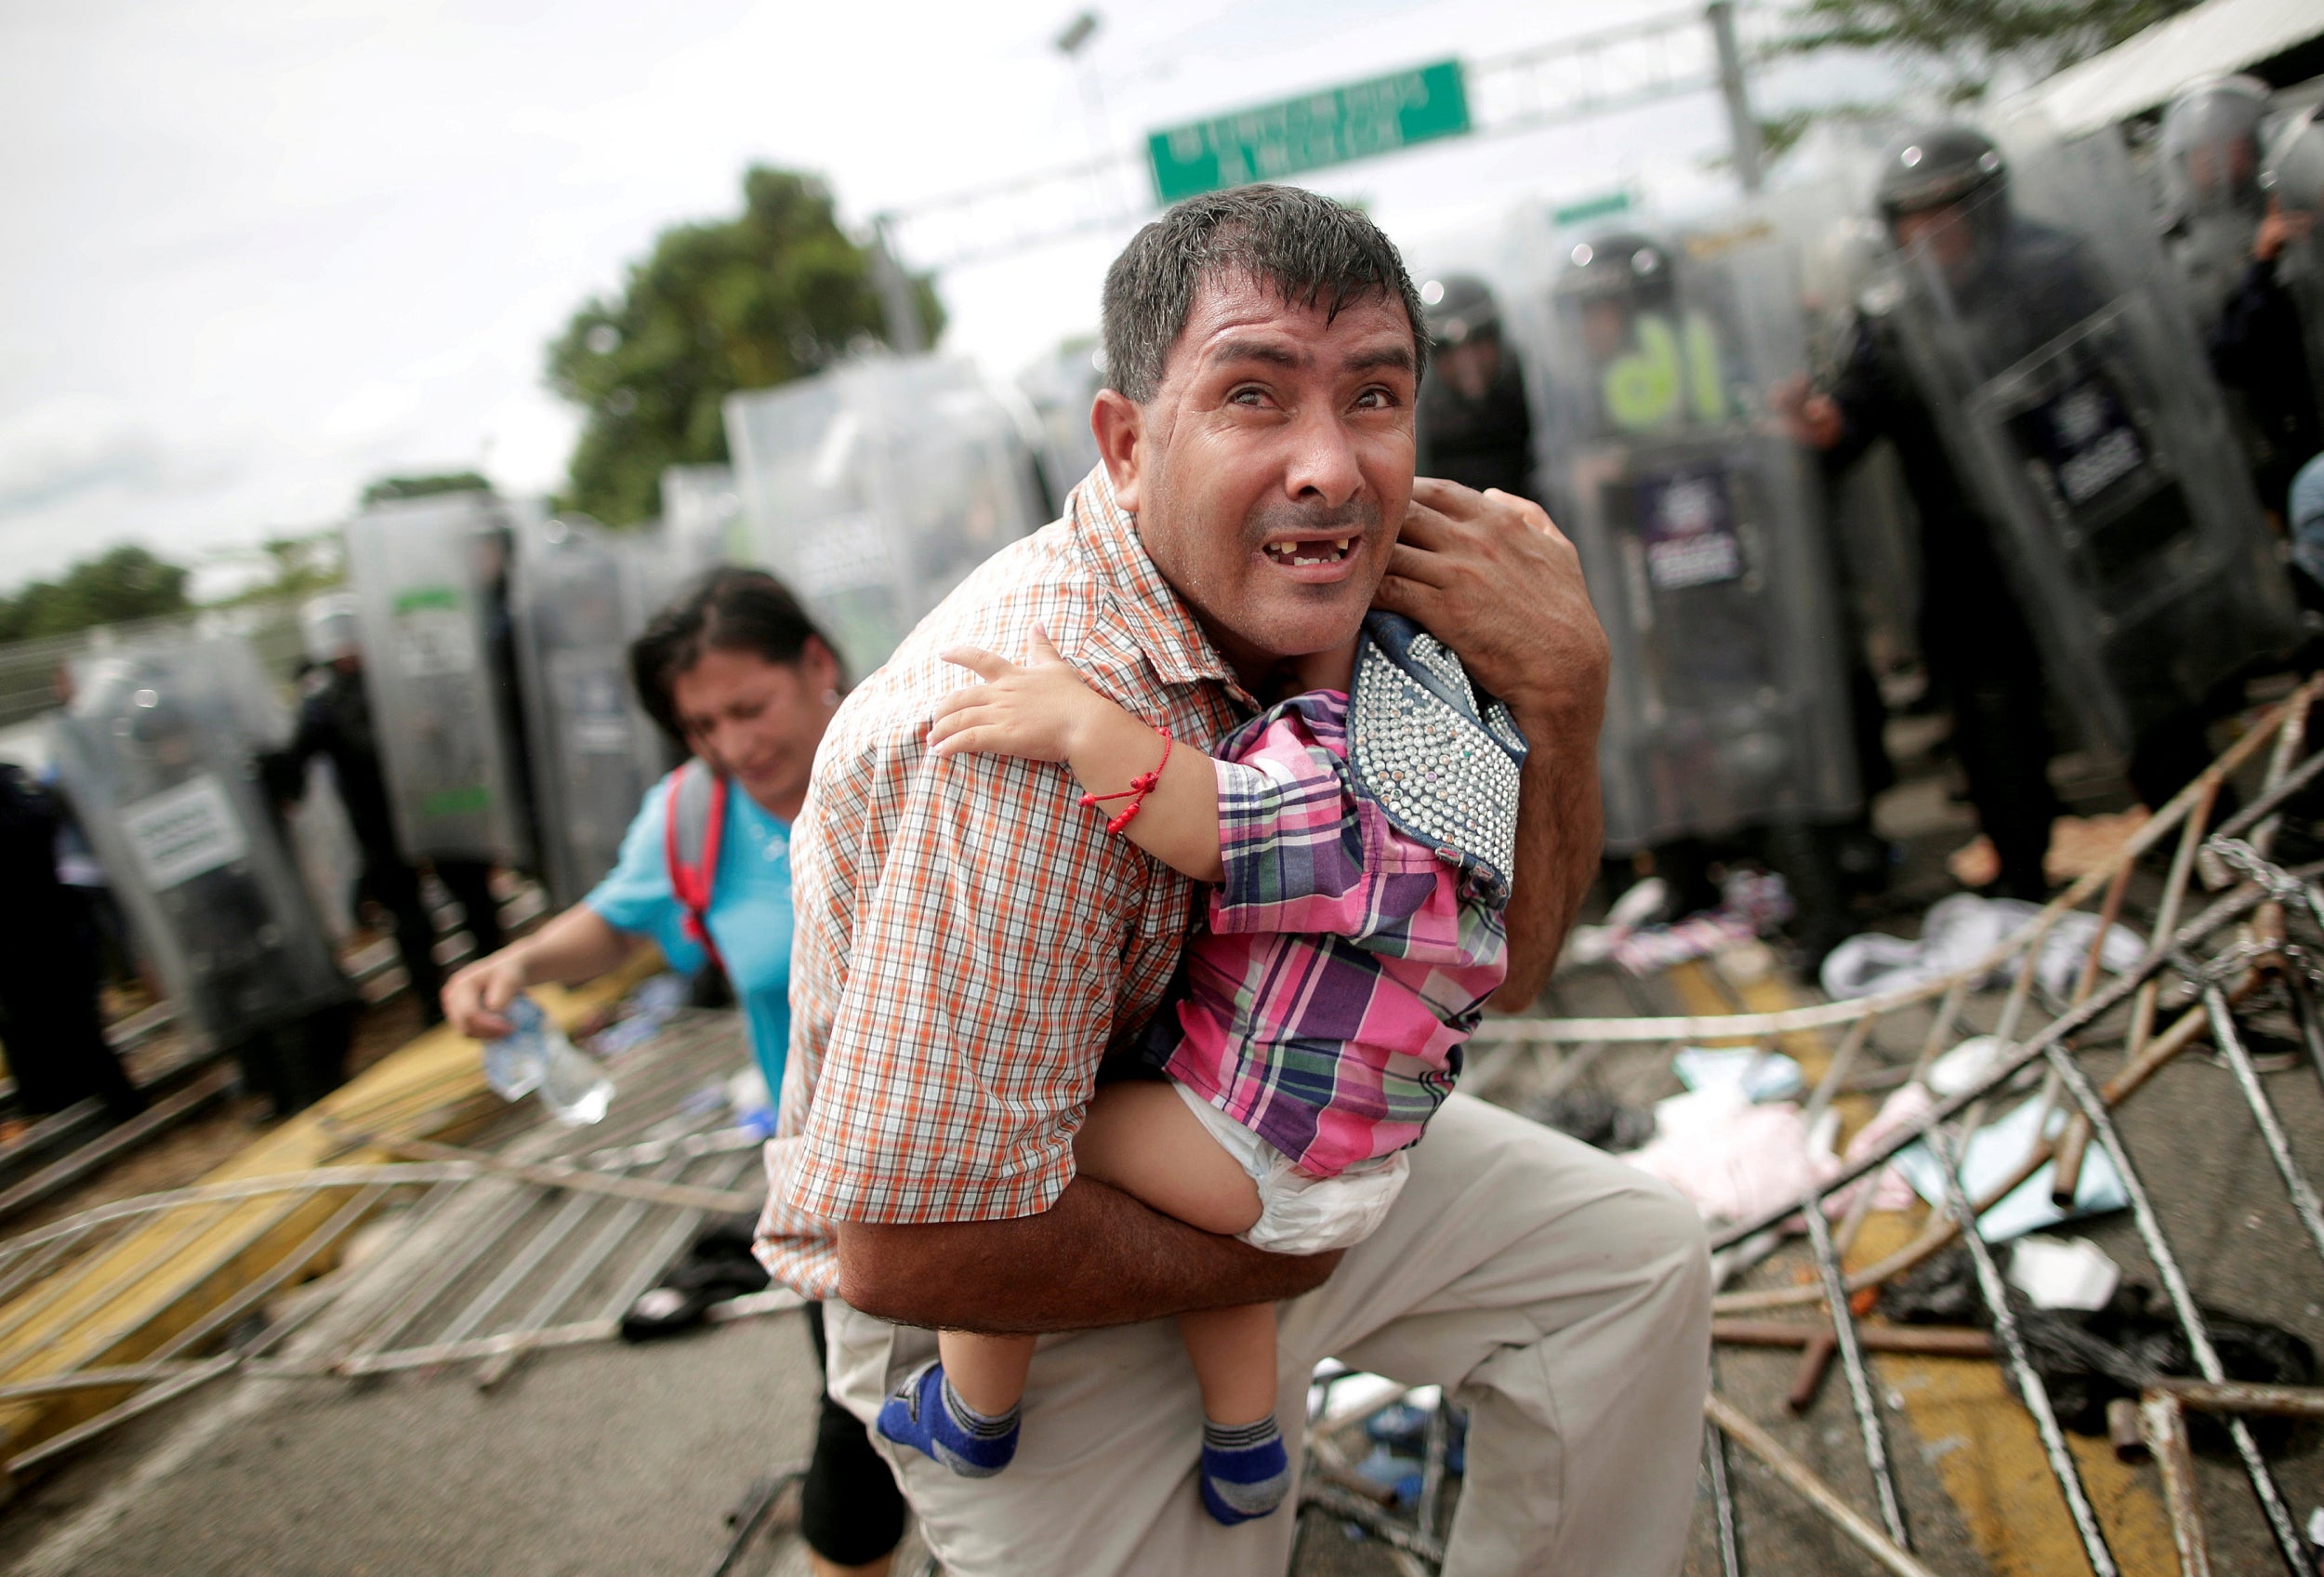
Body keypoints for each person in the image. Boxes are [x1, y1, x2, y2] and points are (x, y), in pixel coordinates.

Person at [755, 183, 1710, 1574]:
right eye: (1254, 395)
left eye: (1373, 396)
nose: (1329, 466)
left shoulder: (1374, 612)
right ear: (1130, 445)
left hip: (1265, 1134)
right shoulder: (1022, 738)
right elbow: (915, 1246)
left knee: (1629, 1263)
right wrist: (1282, 1257)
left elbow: (1508, 962)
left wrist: (1563, 698)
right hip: (1016, 1275)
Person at [875, 611, 1522, 1526]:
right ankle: (1245, 1442)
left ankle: (974, 1408)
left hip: (1244, 1149)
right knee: (1229, 1251)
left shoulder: (1340, 762)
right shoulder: (1470, 784)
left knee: (1005, 1160)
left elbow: (1211, 820)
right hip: (1352, 1167)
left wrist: (1076, 722)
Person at [440, 567, 906, 1577]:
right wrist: (513, 962)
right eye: (701, 725)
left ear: (817, 662)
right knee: (861, 1430)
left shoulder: (918, 754)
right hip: (840, 1197)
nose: (734, 744)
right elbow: (614, 923)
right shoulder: (694, 817)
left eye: (750, 706)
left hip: (1013, 1164)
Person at [1777, 125, 2116, 898]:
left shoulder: (2055, 272)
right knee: (1989, 711)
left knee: (2139, 680)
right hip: (1968, 541)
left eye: (1947, 209)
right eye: (1912, 216)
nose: (1931, 230)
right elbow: (1850, 422)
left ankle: (2208, 827)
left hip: (2082, 515)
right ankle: (2022, 871)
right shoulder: (1891, 319)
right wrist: (1815, 426)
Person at [267, 594, 505, 1024]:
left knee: (473, 899)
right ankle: (435, 1008)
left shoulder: (402, 679)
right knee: (410, 922)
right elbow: (297, 765)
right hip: (378, 823)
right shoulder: (323, 698)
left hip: (436, 806)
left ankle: (498, 978)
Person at [0, 760, 142, 1124]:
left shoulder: (11, 783)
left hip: (42, 922)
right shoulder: (15, 782)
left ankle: (112, 1106)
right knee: (28, 1025)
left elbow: (39, 822)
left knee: (73, 1020)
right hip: (35, 927)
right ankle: (56, 1106)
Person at [1414, 274, 1533, 497]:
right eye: (1447, 348)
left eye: (1479, 339)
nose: (1466, 361)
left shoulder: (1529, 393)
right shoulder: (1420, 415)